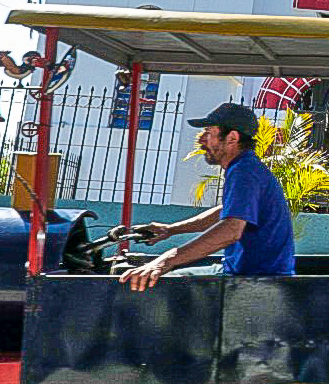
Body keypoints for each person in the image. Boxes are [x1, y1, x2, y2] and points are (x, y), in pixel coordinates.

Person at [120, 102, 294, 290]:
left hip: (254, 281)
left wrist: (165, 261)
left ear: (232, 138)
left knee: (155, 285)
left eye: (209, 133)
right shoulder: (246, 167)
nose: (202, 140)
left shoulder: (244, 172)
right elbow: (226, 213)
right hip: (248, 275)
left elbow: (231, 229)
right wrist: (171, 230)